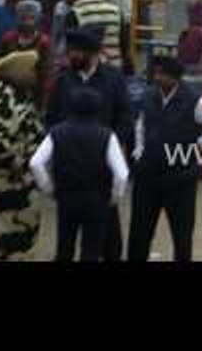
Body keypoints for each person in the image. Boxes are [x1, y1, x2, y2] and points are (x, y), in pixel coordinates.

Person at [127, 56, 202, 263]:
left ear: (175, 78)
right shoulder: (149, 95)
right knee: (139, 234)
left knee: (182, 236)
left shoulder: (196, 101)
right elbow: (141, 124)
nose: (157, 78)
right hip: (148, 177)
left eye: (162, 75)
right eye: (155, 73)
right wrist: (139, 151)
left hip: (180, 179)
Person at [45, 29, 133, 261]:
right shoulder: (64, 81)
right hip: (69, 172)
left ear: (93, 54)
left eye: (76, 52)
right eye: (70, 51)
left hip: (102, 170)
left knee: (108, 239)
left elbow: (125, 117)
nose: (70, 56)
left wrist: (111, 146)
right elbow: (51, 118)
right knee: (66, 240)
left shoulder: (113, 80)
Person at [30, 87, 129, 262]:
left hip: (67, 197)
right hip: (97, 199)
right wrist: (113, 197)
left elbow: (35, 163)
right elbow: (122, 174)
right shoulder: (106, 135)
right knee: (91, 250)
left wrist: (50, 189)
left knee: (64, 248)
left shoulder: (57, 132)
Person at [0, 26, 49, 261]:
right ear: (19, 72)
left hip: (23, 180)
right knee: (12, 239)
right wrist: (17, 162)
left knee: (25, 236)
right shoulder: (1, 97)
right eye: (32, 71)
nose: (35, 75)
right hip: (8, 182)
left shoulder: (21, 95)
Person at [0, 0, 52, 113]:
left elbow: (45, 75)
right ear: (18, 19)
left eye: (31, 18)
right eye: (23, 18)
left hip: (33, 94)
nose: (27, 22)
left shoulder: (43, 42)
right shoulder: (9, 39)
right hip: (9, 93)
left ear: (37, 20)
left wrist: (42, 105)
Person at [68, 0, 124, 71]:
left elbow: (72, 47)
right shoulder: (115, 10)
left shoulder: (75, 12)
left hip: (88, 69)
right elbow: (124, 42)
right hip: (114, 66)